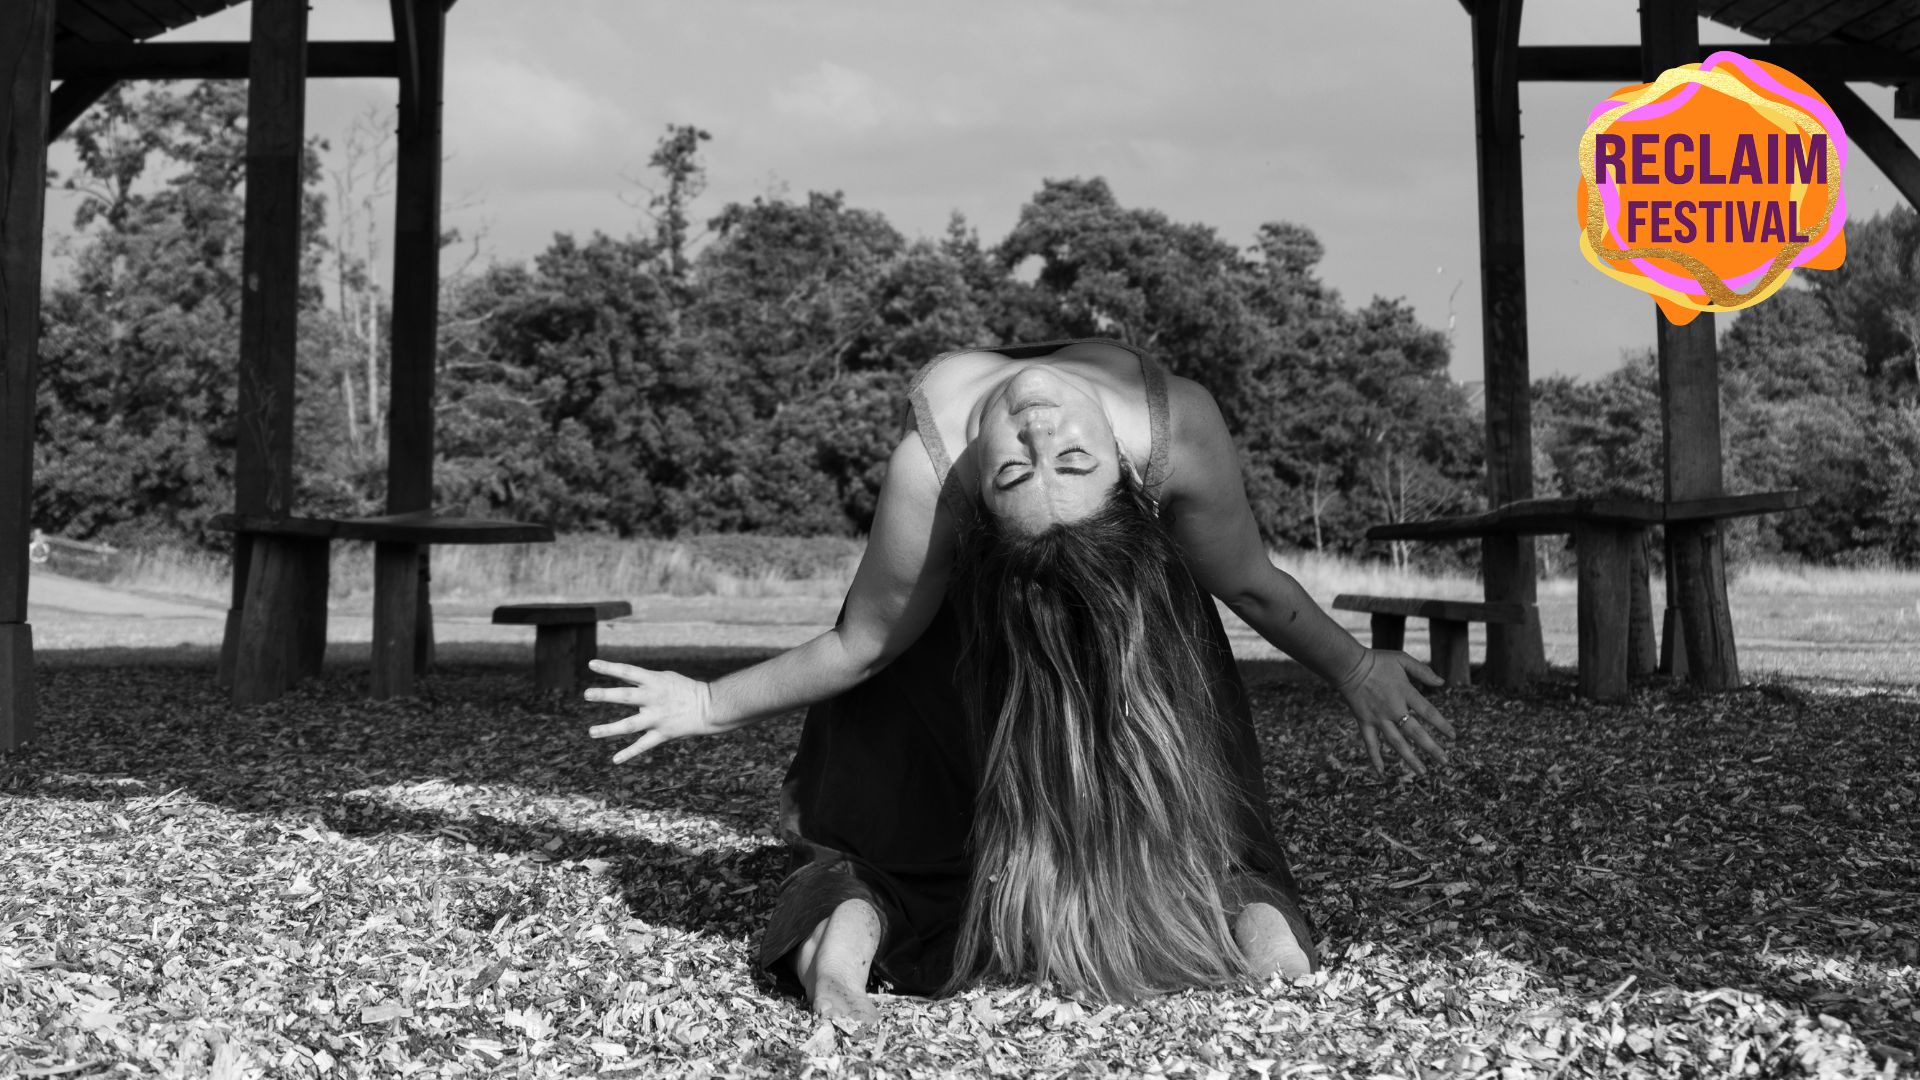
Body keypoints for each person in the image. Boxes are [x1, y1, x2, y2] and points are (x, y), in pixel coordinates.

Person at [586, 339, 1452, 1020]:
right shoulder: (966, 475)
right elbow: (867, 644)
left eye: (1056, 463)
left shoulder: (1139, 441)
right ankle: (1238, 915)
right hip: (974, 615)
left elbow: (1250, 583)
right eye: (1029, 467)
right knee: (929, 824)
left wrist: (1356, 669)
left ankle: (1260, 947)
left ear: (1133, 480)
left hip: (1118, 610)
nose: (1039, 432)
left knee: (891, 842)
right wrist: (707, 704)